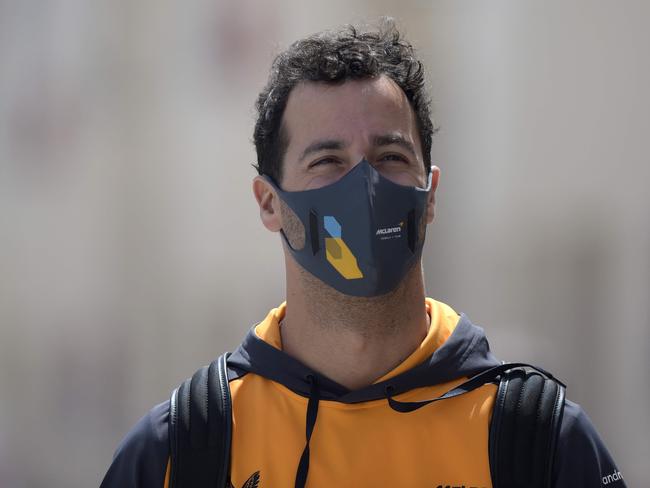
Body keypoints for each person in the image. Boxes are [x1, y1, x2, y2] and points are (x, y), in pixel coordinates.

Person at [100, 19, 625, 488]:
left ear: (430, 194)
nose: (365, 186)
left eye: (390, 156)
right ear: (269, 203)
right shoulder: (180, 449)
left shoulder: (537, 439)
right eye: (327, 160)